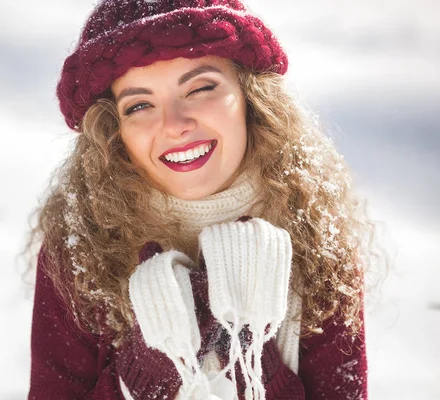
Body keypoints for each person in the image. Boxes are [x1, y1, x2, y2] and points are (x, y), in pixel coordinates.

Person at [27, 1, 376, 399]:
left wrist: (249, 360)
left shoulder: (313, 230)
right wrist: (145, 374)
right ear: (112, 130)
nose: (175, 125)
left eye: (200, 88)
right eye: (139, 105)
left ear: (251, 96)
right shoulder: (80, 246)